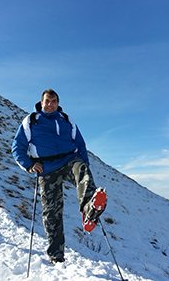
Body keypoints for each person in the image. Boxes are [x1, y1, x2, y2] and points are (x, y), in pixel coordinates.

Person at [12, 89, 107, 264]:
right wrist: (30, 165)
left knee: (82, 172)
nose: (50, 104)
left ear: (58, 103)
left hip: (69, 160)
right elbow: (17, 147)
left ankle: (89, 209)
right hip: (46, 168)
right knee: (51, 212)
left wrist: (84, 163)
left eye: (53, 101)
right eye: (47, 101)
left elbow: (80, 143)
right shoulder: (31, 121)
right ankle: (56, 255)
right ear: (41, 103)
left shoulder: (66, 120)